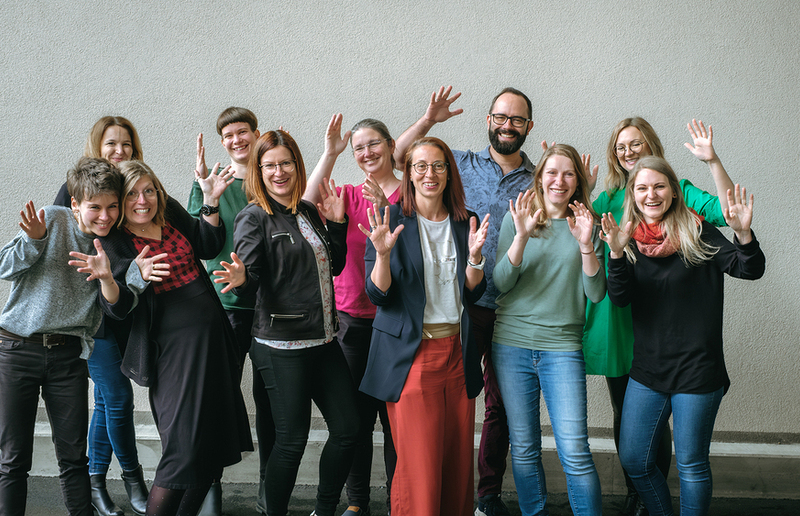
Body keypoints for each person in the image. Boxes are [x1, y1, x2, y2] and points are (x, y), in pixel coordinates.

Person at [395, 86, 547, 516]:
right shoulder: (457, 163)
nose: (507, 125)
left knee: (500, 405)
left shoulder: (539, 177)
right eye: (500, 117)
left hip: (515, 309)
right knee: (459, 400)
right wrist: (428, 121)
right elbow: (399, 158)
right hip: (466, 306)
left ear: (528, 128)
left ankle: (486, 495)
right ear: (488, 120)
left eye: (517, 120)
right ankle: (431, 493)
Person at [582, 118, 736, 516]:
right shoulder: (610, 198)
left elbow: (727, 213)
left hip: (685, 350)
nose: (628, 152)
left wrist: (713, 160)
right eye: (621, 147)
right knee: (632, 440)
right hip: (630, 329)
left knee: (689, 460)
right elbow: (578, 223)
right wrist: (579, 187)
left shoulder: (684, 204)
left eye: (636, 144)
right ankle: (647, 504)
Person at [602, 157, 765, 516]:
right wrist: (615, 253)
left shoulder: (697, 230)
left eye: (659, 186)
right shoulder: (628, 239)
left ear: (674, 192)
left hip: (697, 371)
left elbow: (748, 268)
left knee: (691, 465)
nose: (651, 194)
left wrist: (743, 234)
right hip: (648, 371)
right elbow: (620, 297)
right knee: (635, 460)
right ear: (633, 194)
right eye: (642, 188)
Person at [214, 130, 358, 516]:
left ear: (297, 165)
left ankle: (324, 510)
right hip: (282, 347)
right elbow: (251, 277)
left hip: (324, 342)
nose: (279, 172)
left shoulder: (307, 211)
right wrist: (243, 280)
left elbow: (335, 266)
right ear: (258, 172)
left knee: (349, 430)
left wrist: (339, 225)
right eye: (270, 166)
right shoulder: (253, 217)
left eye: (285, 163)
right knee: (291, 441)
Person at [98, 160, 253, 516]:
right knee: (182, 450)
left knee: (210, 447)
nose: (143, 200)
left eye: (149, 190)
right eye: (133, 194)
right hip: (171, 351)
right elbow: (116, 309)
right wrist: (134, 275)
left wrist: (211, 203)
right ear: (120, 201)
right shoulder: (116, 241)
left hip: (214, 340)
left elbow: (208, 244)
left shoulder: (168, 213)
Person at [359, 136, 490, 516]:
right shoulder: (391, 219)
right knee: (421, 467)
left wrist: (477, 258)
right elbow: (378, 296)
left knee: (456, 463)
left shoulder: (466, 220)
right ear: (409, 174)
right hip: (412, 356)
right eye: (420, 166)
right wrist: (383, 255)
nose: (429, 173)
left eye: (438, 165)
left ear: (449, 173)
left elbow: (473, 292)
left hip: (458, 354)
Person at [0, 157, 132, 516]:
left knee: (74, 457)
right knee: (13, 458)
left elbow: (122, 301)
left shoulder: (115, 245)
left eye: (111, 207)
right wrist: (35, 240)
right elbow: (4, 267)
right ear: (75, 204)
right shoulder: (51, 219)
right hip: (17, 348)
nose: (104, 216)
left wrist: (116, 277)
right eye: (94, 208)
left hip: (69, 356)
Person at [491, 144, 605, 516]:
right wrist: (521, 236)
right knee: (524, 448)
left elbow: (596, 292)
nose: (560, 180)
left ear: (578, 181)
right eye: (551, 172)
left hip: (562, 348)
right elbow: (502, 284)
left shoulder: (587, 225)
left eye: (568, 173)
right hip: (511, 345)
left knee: (574, 450)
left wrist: (586, 244)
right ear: (539, 178)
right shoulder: (517, 219)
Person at [304, 114, 401, 516]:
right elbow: (307, 203)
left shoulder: (411, 193)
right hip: (351, 323)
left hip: (396, 323)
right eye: (358, 147)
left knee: (397, 425)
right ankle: (357, 503)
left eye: (373, 144)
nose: (366, 153)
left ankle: (401, 503)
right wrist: (330, 153)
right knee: (356, 423)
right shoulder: (345, 193)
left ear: (391, 145)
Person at [53, 116, 150, 516]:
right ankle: (132, 478)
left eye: (126, 144)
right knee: (118, 399)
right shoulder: (74, 190)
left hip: (124, 311)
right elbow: (59, 248)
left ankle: (95, 483)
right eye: (111, 143)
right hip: (93, 320)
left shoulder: (130, 188)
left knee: (107, 404)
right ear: (97, 145)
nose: (119, 151)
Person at [187, 106, 275, 516]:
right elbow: (195, 242)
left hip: (272, 306)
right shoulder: (210, 182)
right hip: (225, 307)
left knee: (271, 401)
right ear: (222, 142)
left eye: (243, 132)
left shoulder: (273, 176)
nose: (237, 140)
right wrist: (208, 196)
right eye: (229, 135)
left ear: (256, 134)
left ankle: (270, 487)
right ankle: (210, 487)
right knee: (218, 398)